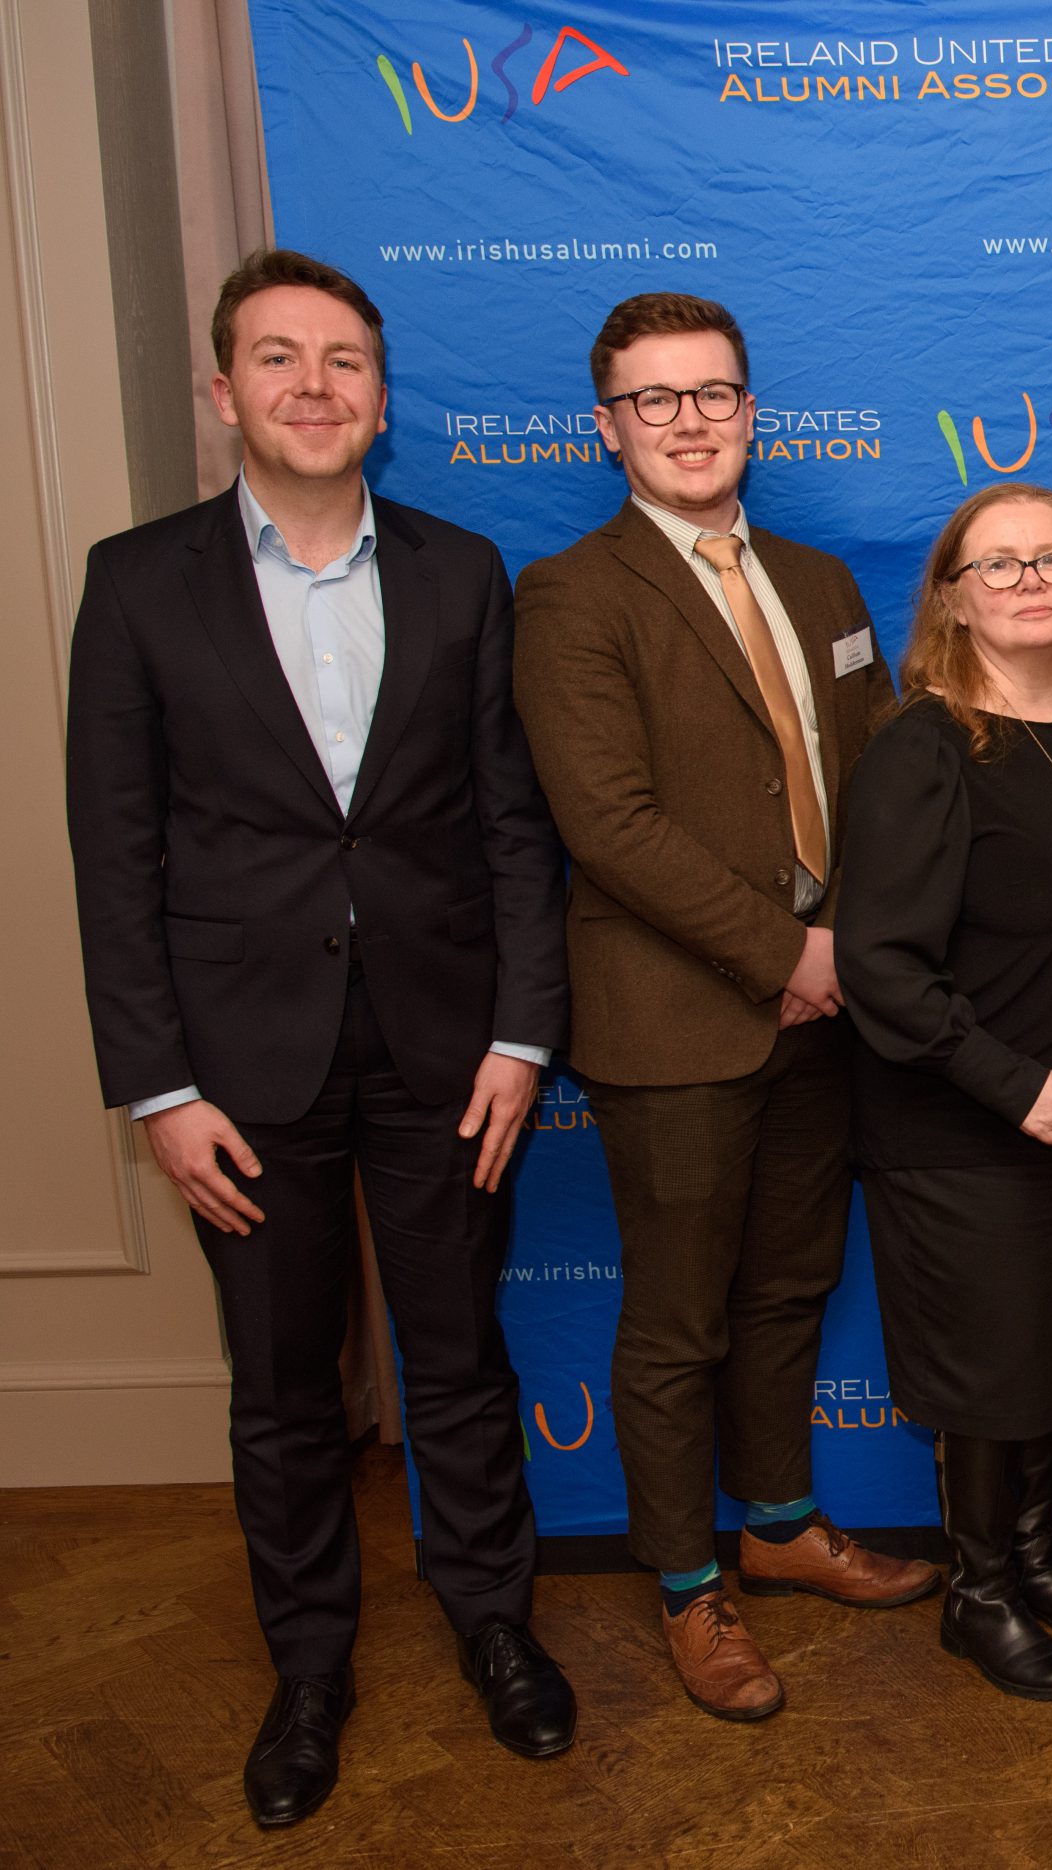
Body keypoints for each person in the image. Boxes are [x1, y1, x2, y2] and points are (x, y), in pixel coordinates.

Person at [64, 249, 576, 1826]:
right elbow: (114, 854)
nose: (312, 384)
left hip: (445, 1054)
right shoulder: (136, 582)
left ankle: (495, 1625)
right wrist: (159, 1087)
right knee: (284, 1386)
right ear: (225, 391)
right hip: (238, 1068)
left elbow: (510, 828)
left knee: (460, 1359)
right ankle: (307, 1671)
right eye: (278, 357)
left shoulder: (460, 571)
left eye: (343, 359)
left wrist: (521, 1037)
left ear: (380, 396)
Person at [511, 291, 936, 1724]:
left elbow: (880, 778)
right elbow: (609, 826)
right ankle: (691, 1582)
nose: (688, 422)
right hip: (679, 1018)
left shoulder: (820, 582)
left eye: (712, 393)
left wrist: (853, 947)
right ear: (608, 427)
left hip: (830, 1009)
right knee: (679, 1318)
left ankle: (780, 1519)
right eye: (655, 399)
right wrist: (787, 953)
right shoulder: (571, 594)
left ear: (751, 411)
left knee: (788, 1287)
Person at [836, 486, 1052, 1701]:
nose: (1030, 581)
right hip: (968, 1125)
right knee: (988, 1376)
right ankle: (975, 1593)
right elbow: (879, 963)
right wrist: (1013, 1084)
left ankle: (1031, 1559)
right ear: (952, 598)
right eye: (998, 564)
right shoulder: (924, 747)